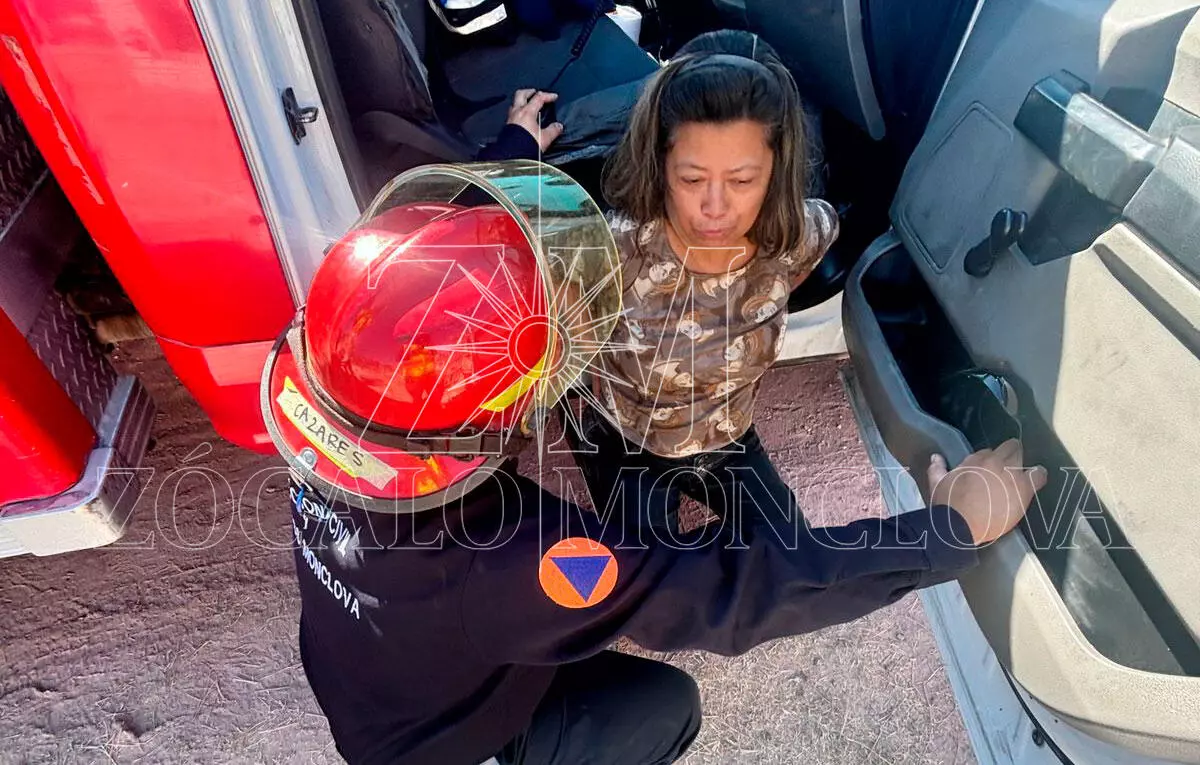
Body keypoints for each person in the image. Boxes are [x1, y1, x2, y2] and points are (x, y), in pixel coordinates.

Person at [259, 90, 1048, 765]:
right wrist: (944, 531)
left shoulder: (333, 386)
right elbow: (735, 592)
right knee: (664, 706)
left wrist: (513, 149)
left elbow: (428, 266)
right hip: (435, 742)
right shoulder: (514, 566)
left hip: (369, 670)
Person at [561, 31, 839, 533]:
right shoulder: (612, 249)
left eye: (742, 180)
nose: (715, 208)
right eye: (691, 179)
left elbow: (796, 268)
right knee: (648, 577)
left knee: (795, 556)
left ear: (776, 172)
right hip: (627, 442)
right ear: (659, 165)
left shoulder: (799, 234)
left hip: (728, 438)